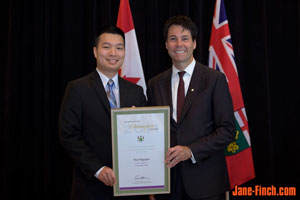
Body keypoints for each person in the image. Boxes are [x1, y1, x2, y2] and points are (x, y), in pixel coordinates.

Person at [147, 15, 236, 200]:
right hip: (168, 183)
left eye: (185, 38)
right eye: (173, 39)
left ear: (194, 43)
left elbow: (227, 130)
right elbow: (152, 131)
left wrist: (190, 151)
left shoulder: (214, 79)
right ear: (166, 45)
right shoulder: (155, 84)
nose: (179, 44)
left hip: (206, 183)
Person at [59, 26, 146, 200]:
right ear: (95, 51)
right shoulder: (78, 88)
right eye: (106, 47)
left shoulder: (136, 92)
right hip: (91, 186)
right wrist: (98, 170)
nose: (113, 53)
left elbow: (146, 137)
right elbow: (69, 136)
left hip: (130, 187)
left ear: (124, 52)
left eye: (119, 48)